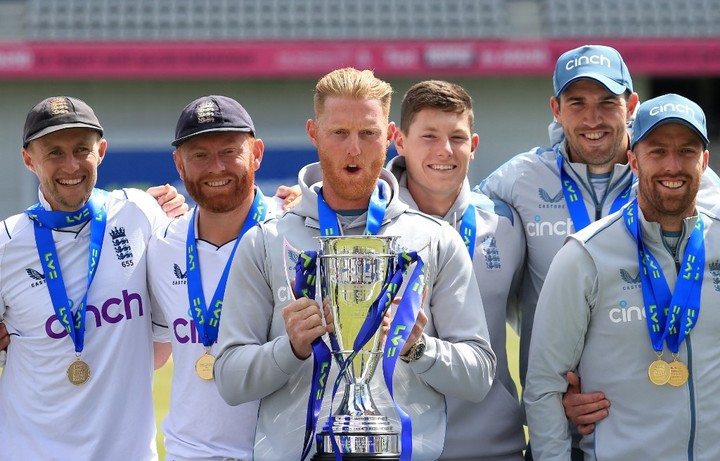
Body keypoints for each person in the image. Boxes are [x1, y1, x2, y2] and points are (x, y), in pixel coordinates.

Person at [213, 67, 496, 461]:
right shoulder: (266, 241)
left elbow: (479, 375)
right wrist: (289, 348)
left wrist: (419, 349)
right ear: (314, 133)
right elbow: (229, 379)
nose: (353, 149)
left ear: (390, 135)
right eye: (339, 133)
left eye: (367, 133)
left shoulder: (434, 240)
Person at [476, 44, 720, 444]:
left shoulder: (680, 178)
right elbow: (446, 212)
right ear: (556, 110)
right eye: (577, 103)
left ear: (632, 105)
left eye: (607, 102)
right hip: (553, 419)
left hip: (640, 420)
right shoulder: (519, 179)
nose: (593, 118)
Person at [524, 93, 720, 460]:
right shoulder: (585, 255)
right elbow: (543, 386)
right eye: (657, 151)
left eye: (687, 151)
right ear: (633, 160)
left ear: (704, 161)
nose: (673, 166)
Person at [0, 95, 188, 460]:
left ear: (100, 151)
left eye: (81, 150)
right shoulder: (6, 244)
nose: (70, 165)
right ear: (28, 159)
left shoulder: (140, 213)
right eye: (54, 152)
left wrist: (281, 207)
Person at [388, 80, 526, 460]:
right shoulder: (370, 226)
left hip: (493, 448)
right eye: (429, 136)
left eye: (457, 137)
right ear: (399, 141)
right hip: (400, 448)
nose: (444, 150)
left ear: (474, 145)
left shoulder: (506, 225)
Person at [148, 95, 273, 461]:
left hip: (274, 452)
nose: (216, 167)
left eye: (229, 151)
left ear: (256, 153)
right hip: (187, 454)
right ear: (179, 164)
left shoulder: (290, 231)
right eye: (200, 155)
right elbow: (151, 351)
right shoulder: (162, 244)